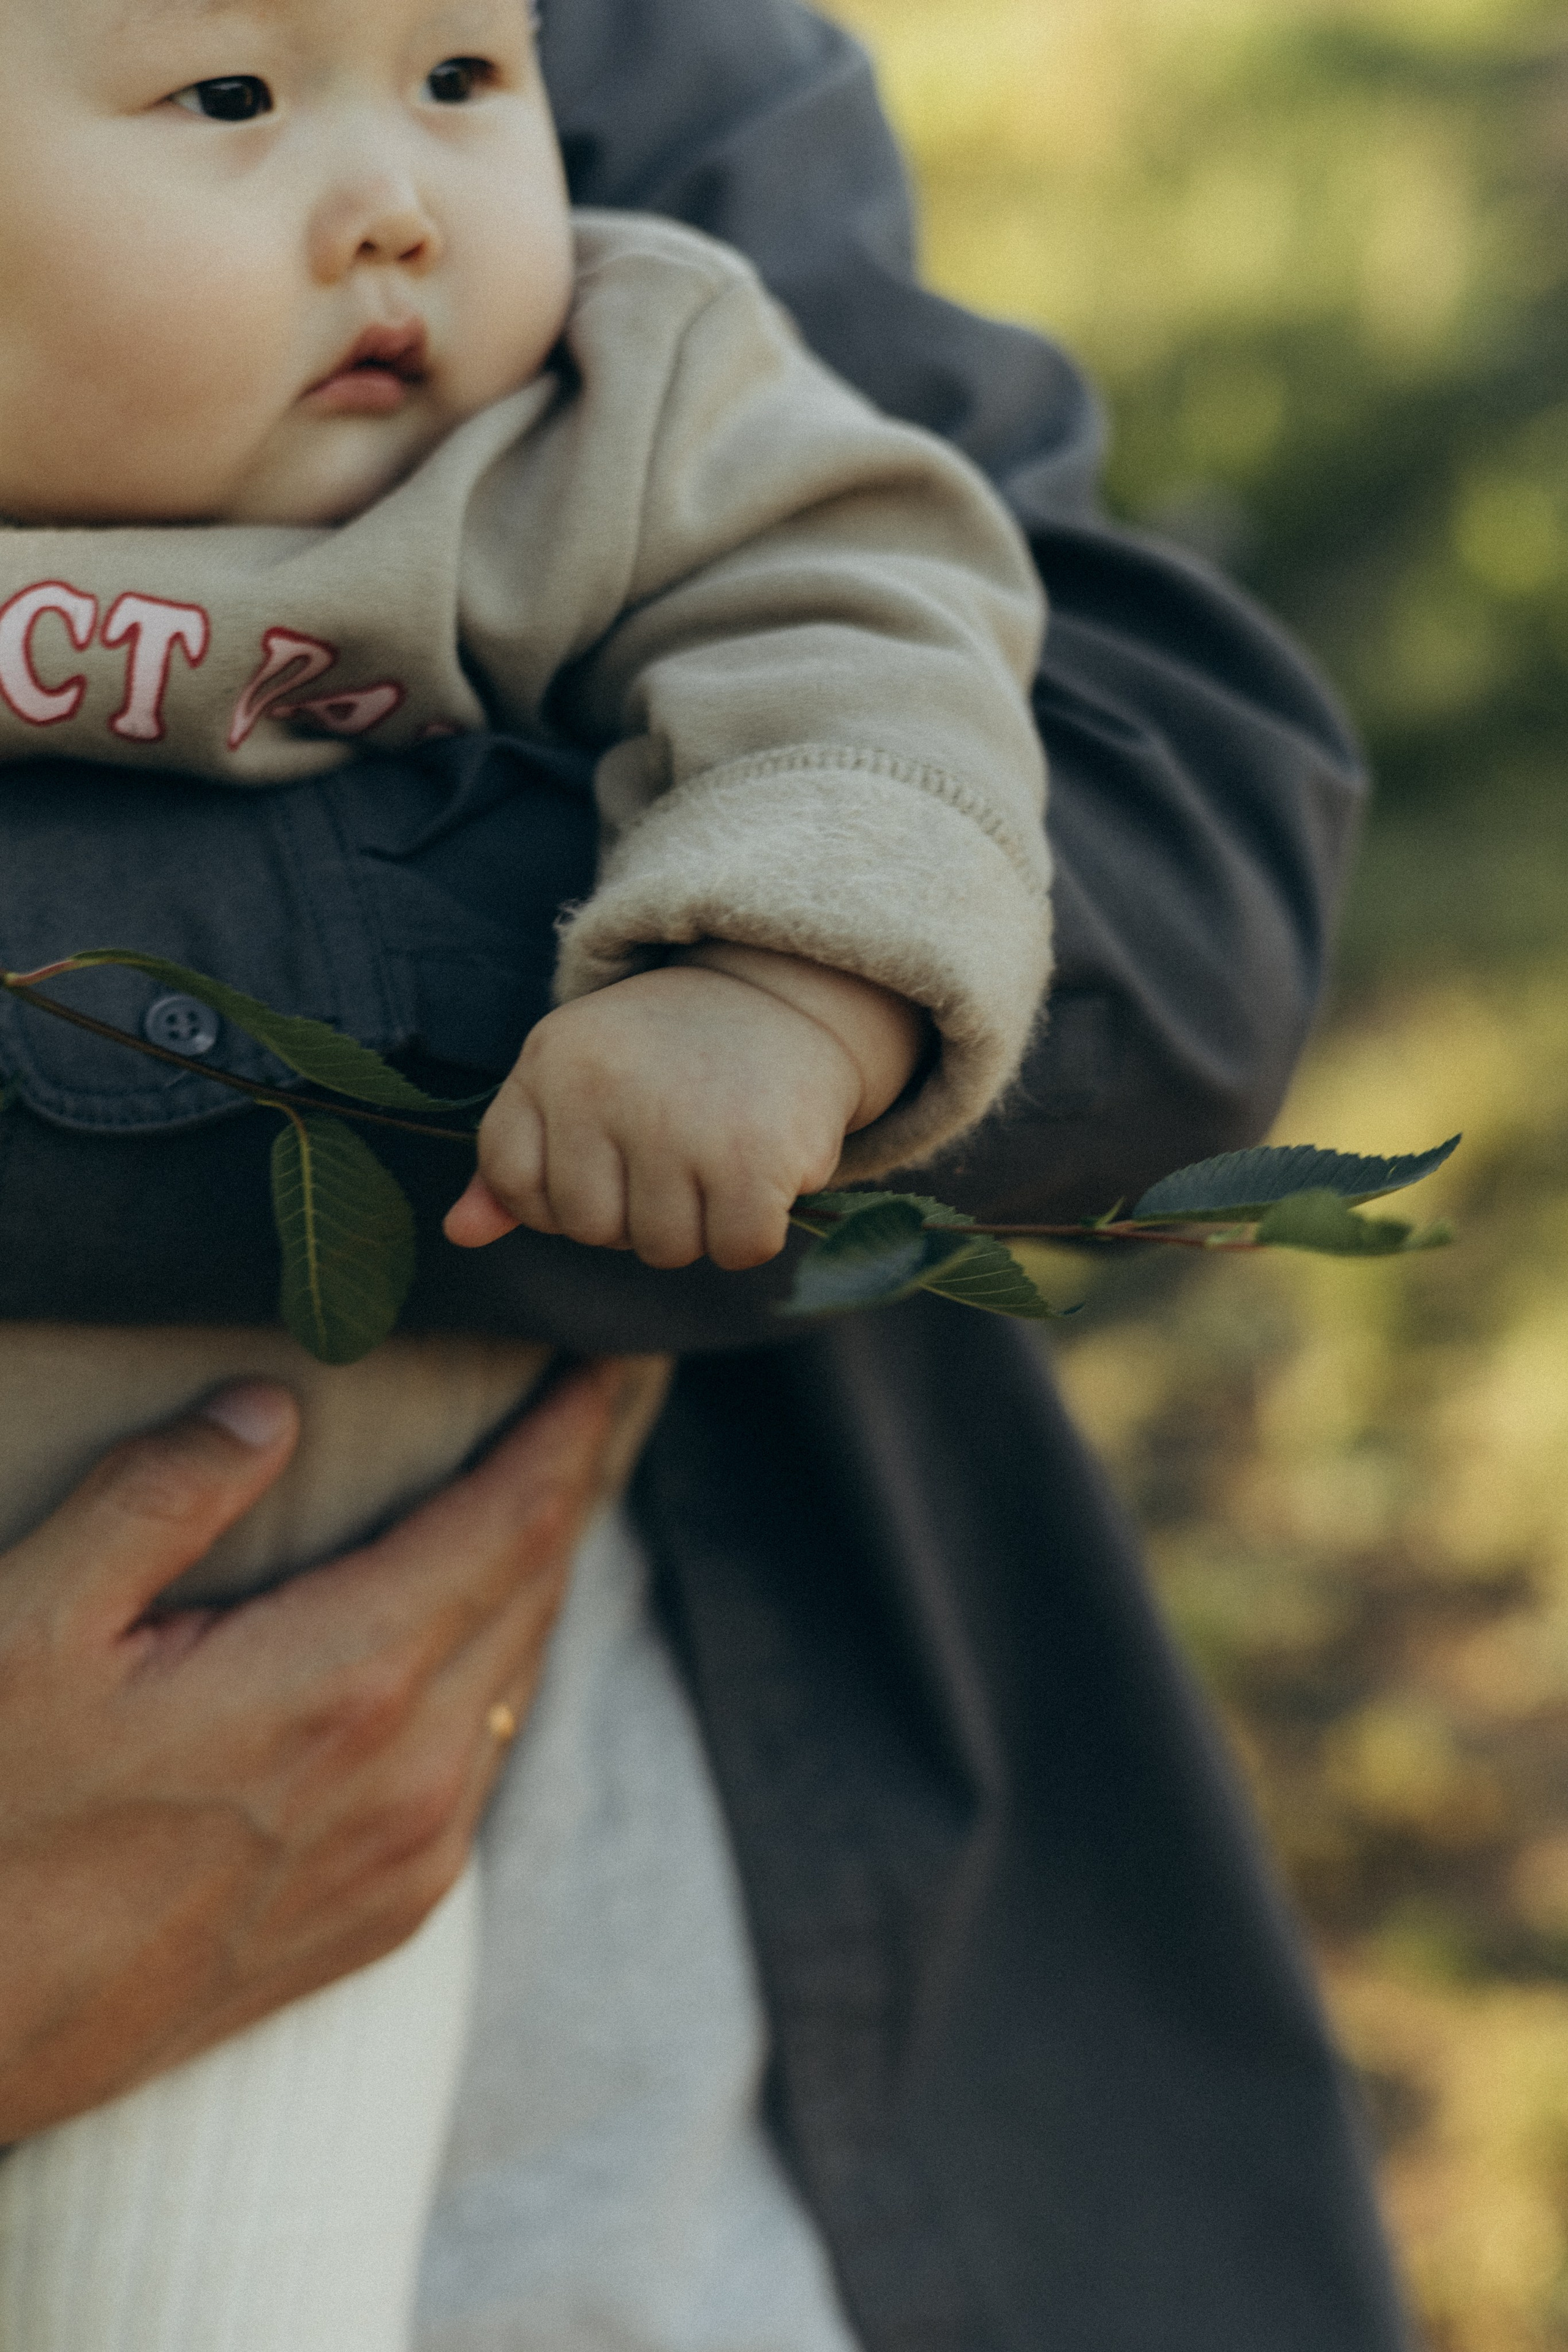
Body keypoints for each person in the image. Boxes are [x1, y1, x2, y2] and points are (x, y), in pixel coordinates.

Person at [0, 2, 1414, 2349]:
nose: (398, 199)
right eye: (232, 102)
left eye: (466, 79)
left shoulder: (597, 410)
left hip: (352, 1742)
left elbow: (880, 641)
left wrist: (762, 983)